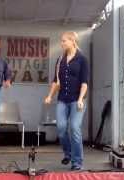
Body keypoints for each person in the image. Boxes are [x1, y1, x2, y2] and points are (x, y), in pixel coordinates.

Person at [44, 31, 89, 170]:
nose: (62, 43)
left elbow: (84, 82)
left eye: (64, 41)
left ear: (73, 41)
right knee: (61, 128)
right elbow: (55, 82)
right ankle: (68, 153)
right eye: (61, 41)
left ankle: (77, 162)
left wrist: (81, 98)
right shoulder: (60, 60)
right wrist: (50, 96)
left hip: (77, 100)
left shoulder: (82, 59)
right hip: (62, 99)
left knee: (75, 128)